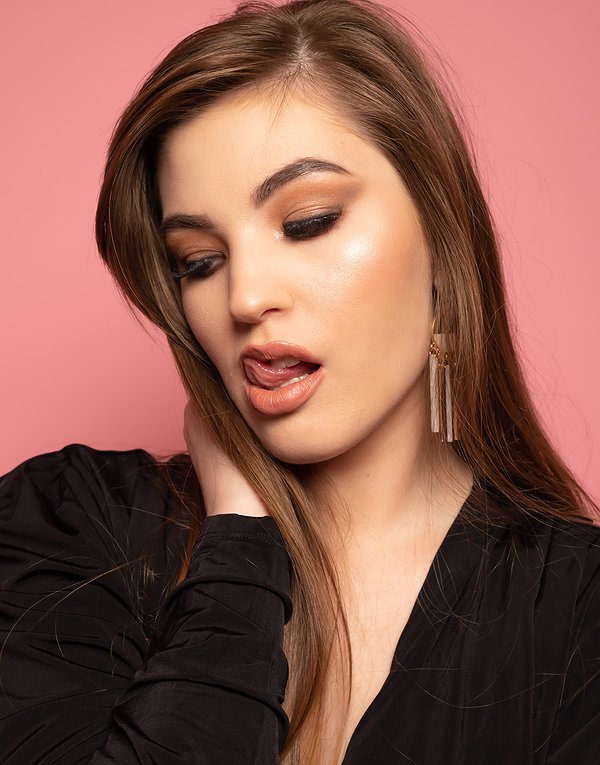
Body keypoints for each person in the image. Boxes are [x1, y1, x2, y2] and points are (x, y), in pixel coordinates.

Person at [1, 0, 598, 762]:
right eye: (199, 261)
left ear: (443, 240)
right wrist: (240, 539)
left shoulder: (577, 610)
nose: (245, 298)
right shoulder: (69, 525)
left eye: (308, 220)